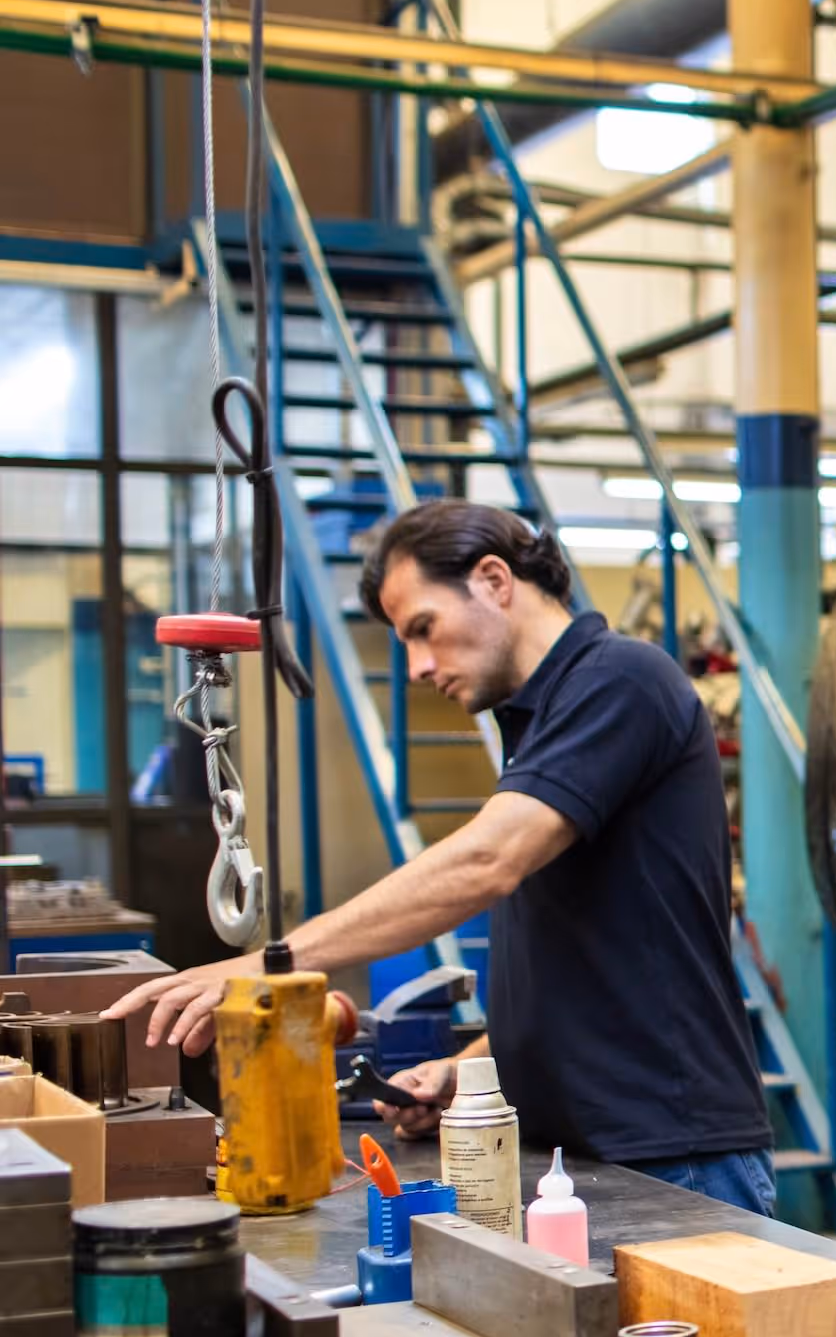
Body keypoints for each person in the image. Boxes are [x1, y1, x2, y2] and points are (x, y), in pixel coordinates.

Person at [105, 500, 777, 1215]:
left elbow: (485, 863)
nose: (419, 667)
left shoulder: (621, 681)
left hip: (675, 1159)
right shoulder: (543, 721)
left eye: (424, 629)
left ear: (494, 579)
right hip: (589, 1158)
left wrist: (271, 965)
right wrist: (470, 1070)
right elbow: (594, 964)